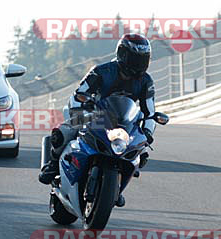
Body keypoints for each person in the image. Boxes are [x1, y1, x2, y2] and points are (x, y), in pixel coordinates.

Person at [38, 34, 157, 208]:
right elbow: (79, 93)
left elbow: (150, 112)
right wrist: (81, 110)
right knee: (63, 132)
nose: (139, 63)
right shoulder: (101, 71)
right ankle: (53, 165)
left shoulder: (146, 81)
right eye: (135, 58)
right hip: (94, 115)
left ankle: (116, 188)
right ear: (123, 54)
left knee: (139, 152)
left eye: (142, 59)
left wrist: (147, 131)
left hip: (123, 123)